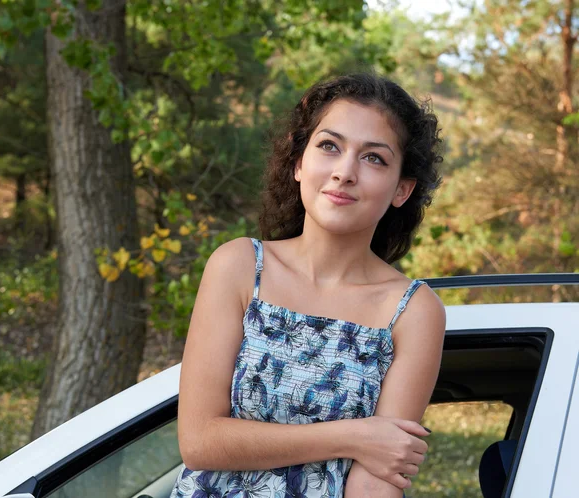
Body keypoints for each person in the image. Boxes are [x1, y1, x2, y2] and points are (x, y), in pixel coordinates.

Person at [171, 72, 446, 498]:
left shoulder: (413, 310)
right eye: (329, 146)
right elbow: (199, 441)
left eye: (374, 158)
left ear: (402, 189)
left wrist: (371, 443)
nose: (344, 172)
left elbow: (377, 478)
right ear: (299, 163)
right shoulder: (240, 266)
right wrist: (355, 436)